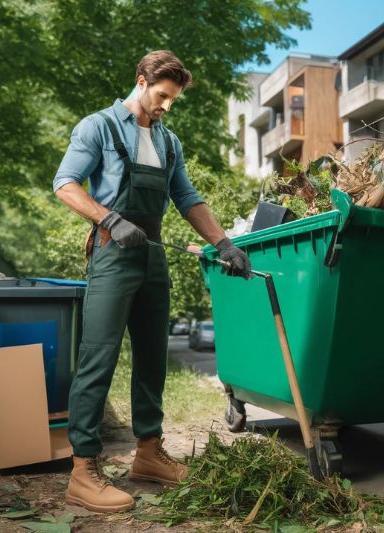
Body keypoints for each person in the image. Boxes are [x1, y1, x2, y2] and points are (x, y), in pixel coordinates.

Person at [52, 50, 251, 513]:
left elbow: (186, 196)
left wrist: (223, 243)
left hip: (153, 254)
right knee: (97, 358)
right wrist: (108, 219)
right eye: (162, 96)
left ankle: (148, 454)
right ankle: (83, 470)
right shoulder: (97, 127)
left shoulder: (168, 141)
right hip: (112, 252)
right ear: (141, 81)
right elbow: (65, 183)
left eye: (173, 100)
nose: (166, 106)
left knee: (152, 358)